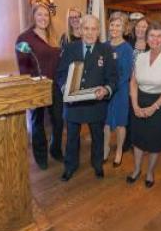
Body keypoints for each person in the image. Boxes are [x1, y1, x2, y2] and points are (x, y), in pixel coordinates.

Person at [57, 14, 118, 181]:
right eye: (86, 28)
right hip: (73, 104)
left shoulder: (106, 50)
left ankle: (97, 164)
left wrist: (106, 90)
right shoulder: (70, 48)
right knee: (71, 138)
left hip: (96, 103)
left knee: (98, 137)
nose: (90, 33)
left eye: (93, 29)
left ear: (98, 31)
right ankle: (70, 166)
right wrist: (65, 89)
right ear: (80, 30)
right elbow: (61, 73)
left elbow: (113, 78)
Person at [126, 21, 161, 188]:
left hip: (160, 104)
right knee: (138, 139)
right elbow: (133, 82)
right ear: (146, 38)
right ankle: (136, 169)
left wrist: (153, 107)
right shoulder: (140, 57)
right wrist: (134, 105)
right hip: (139, 101)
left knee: (155, 142)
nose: (155, 39)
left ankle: (150, 172)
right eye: (152, 36)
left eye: (159, 36)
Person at [16, 3, 64, 170]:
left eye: (46, 15)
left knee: (59, 119)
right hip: (36, 87)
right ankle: (41, 156)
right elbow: (23, 66)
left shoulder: (53, 36)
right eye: (40, 15)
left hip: (55, 85)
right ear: (33, 17)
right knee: (38, 123)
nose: (43, 18)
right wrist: (31, 85)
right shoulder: (25, 38)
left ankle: (55, 149)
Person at [103, 12, 133, 166]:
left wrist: (111, 88)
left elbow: (126, 73)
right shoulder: (103, 46)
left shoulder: (127, 49)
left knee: (121, 123)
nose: (114, 28)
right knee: (106, 122)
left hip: (120, 91)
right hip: (105, 91)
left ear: (124, 28)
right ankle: (105, 147)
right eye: (112, 24)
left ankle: (119, 150)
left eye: (118, 25)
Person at [123, 16, 149, 152]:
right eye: (138, 26)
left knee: (139, 114)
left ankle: (138, 143)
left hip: (144, 87)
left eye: (144, 27)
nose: (140, 29)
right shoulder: (128, 43)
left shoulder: (151, 46)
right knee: (128, 114)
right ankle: (127, 142)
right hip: (128, 84)